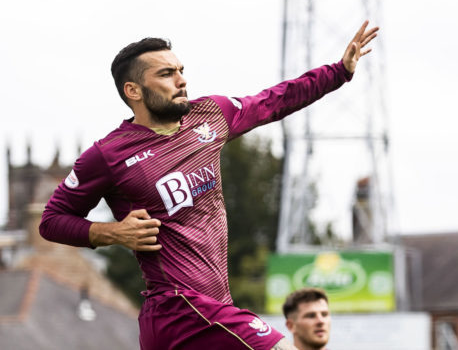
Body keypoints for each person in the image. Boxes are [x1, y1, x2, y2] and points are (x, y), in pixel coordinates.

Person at [39, 21, 378, 350]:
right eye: (166, 74)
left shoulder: (211, 116)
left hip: (208, 311)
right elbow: (51, 220)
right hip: (180, 308)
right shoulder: (107, 155)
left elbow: (274, 101)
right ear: (133, 91)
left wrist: (339, 71)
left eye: (180, 70)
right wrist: (112, 233)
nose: (181, 80)